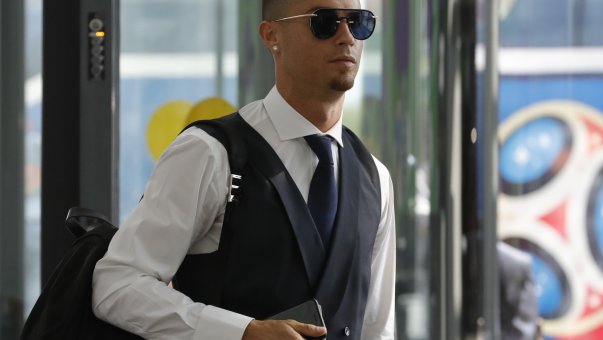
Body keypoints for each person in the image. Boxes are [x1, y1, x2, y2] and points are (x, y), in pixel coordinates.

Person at [92, 1, 396, 339]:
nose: (346, 37)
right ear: (271, 35)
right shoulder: (210, 152)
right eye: (323, 22)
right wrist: (241, 332)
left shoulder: (375, 178)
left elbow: (377, 328)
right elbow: (116, 284)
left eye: (359, 22)